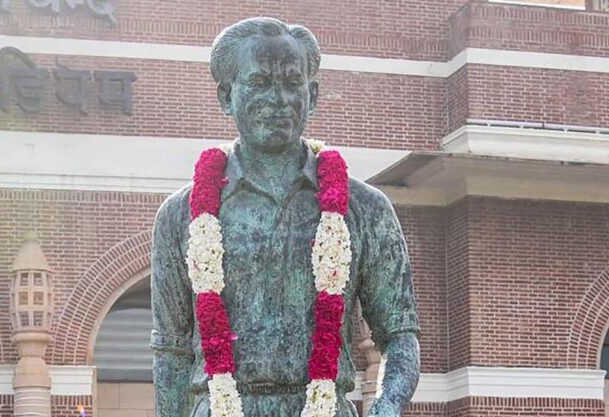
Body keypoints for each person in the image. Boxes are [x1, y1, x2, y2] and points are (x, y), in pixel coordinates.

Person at [150, 17, 420, 417]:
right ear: (227, 96)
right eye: (259, 83)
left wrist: (388, 404)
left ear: (311, 95)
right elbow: (171, 353)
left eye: (292, 83)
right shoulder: (180, 215)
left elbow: (399, 333)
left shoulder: (365, 208)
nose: (278, 99)